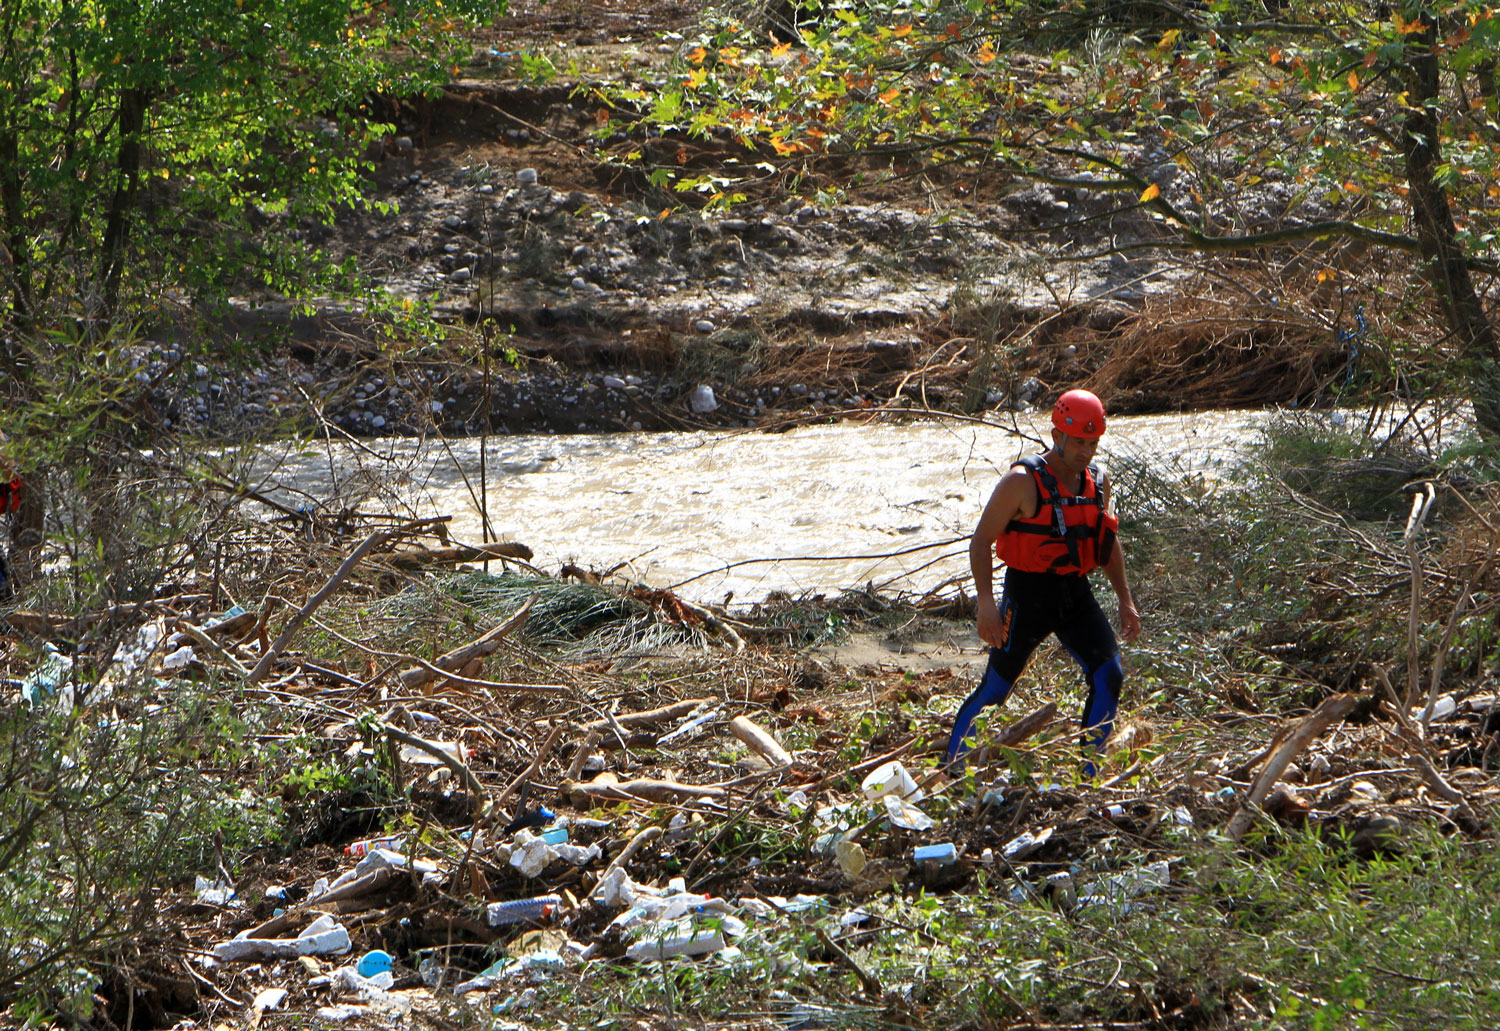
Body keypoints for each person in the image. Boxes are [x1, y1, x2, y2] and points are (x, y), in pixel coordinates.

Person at [947, 388, 1141, 776]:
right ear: (1057, 436)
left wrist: (1125, 598)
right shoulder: (1021, 482)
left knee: (1109, 674)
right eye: (1079, 443)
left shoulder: (1099, 482)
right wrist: (986, 604)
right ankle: (951, 768)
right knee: (996, 690)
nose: (1086, 452)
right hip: (1027, 595)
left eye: (1093, 443)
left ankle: (1087, 775)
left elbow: (1107, 542)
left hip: (1075, 595)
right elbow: (981, 541)